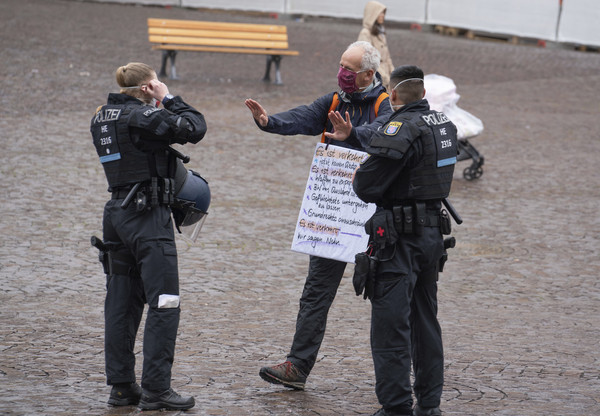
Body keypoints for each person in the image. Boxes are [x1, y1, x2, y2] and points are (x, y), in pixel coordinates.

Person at [244, 41, 392, 390]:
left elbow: (384, 136)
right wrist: (269, 121)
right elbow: (305, 117)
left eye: (349, 69)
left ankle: (399, 379)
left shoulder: (386, 104)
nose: (342, 73)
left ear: (369, 74)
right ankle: (297, 366)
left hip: (375, 216)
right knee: (315, 292)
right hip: (335, 215)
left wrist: (352, 134)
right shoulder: (336, 100)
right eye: (340, 64)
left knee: (389, 295)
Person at [90, 62, 207, 411]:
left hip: (116, 215)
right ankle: (157, 389)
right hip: (147, 216)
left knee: (121, 301)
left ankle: (122, 387)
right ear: (145, 88)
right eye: (154, 83)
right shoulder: (141, 117)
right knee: (165, 301)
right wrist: (168, 97)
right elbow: (195, 127)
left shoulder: (102, 116)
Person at [352, 65, 459, 416]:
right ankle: (429, 403)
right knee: (426, 321)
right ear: (424, 93)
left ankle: (396, 406)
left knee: (390, 326)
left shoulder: (399, 128)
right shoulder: (442, 125)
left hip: (398, 241)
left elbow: (365, 185)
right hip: (432, 236)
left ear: (393, 95)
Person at [358, 1, 395, 90]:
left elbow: (387, 57)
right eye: (380, 13)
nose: (383, 15)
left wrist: (393, 72)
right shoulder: (365, 34)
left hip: (386, 77)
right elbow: (368, 60)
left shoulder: (380, 32)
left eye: (383, 13)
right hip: (375, 79)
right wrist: (384, 76)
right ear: (373, 14)